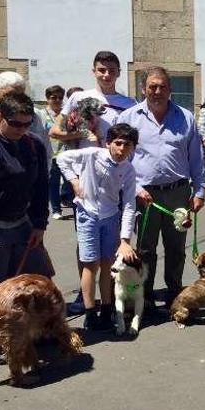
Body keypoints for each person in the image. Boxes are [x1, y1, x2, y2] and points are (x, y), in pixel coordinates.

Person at [117, 66, 205, 309]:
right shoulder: (129, 118)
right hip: (145, 195)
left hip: (178, 192)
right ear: (144, 89)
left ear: (170, 89)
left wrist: (199, 191)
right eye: (152, 87)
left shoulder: (185, 118)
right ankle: (143, 298)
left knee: (176, 248)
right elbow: (121, 158)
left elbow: (197, 158)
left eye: (162, 87)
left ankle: (175, 293)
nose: (157, 91)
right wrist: (134, 187)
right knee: (145, 249)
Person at [56, 123, 139, 330]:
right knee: (90, 265)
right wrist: (74, 180)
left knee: (107, 265)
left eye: (127, 145)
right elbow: (62, 159)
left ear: (133, 147)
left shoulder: (128, 169)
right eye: (118, 143)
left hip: (110, 216)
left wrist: (125, 240)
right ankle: (90, 311)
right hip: (88, 214)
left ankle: (107, 309)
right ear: (108, 143)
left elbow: (129, 204)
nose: (121, 149)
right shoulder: (92, 154)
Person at [0, 92, 52, 298]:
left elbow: (41, 186)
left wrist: (40, 224)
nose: (21, 129)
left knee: (36, 284)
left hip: (23, 225)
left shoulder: (34, 143)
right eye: (15, 124)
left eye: (27, 124)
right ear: (0, 117)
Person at [51, 51, 137, 150]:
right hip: (84, 162)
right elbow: (54, 132)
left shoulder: (130, 104)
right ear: (94, 72)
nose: (107, 75)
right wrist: (84, 133)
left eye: (112, 71)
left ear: (119, 72)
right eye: (102, 70)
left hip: (116, 162)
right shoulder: (78, 97)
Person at [41, 85, 68, 220]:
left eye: (60, 98)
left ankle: (67, 199)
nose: (57, 100)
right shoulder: (41, 115)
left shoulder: (66, 114)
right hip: (51, 153)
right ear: (47, 99)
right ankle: (56, 209)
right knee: (54, 182)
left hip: (66, 152)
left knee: (69, 181)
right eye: (53, 98)